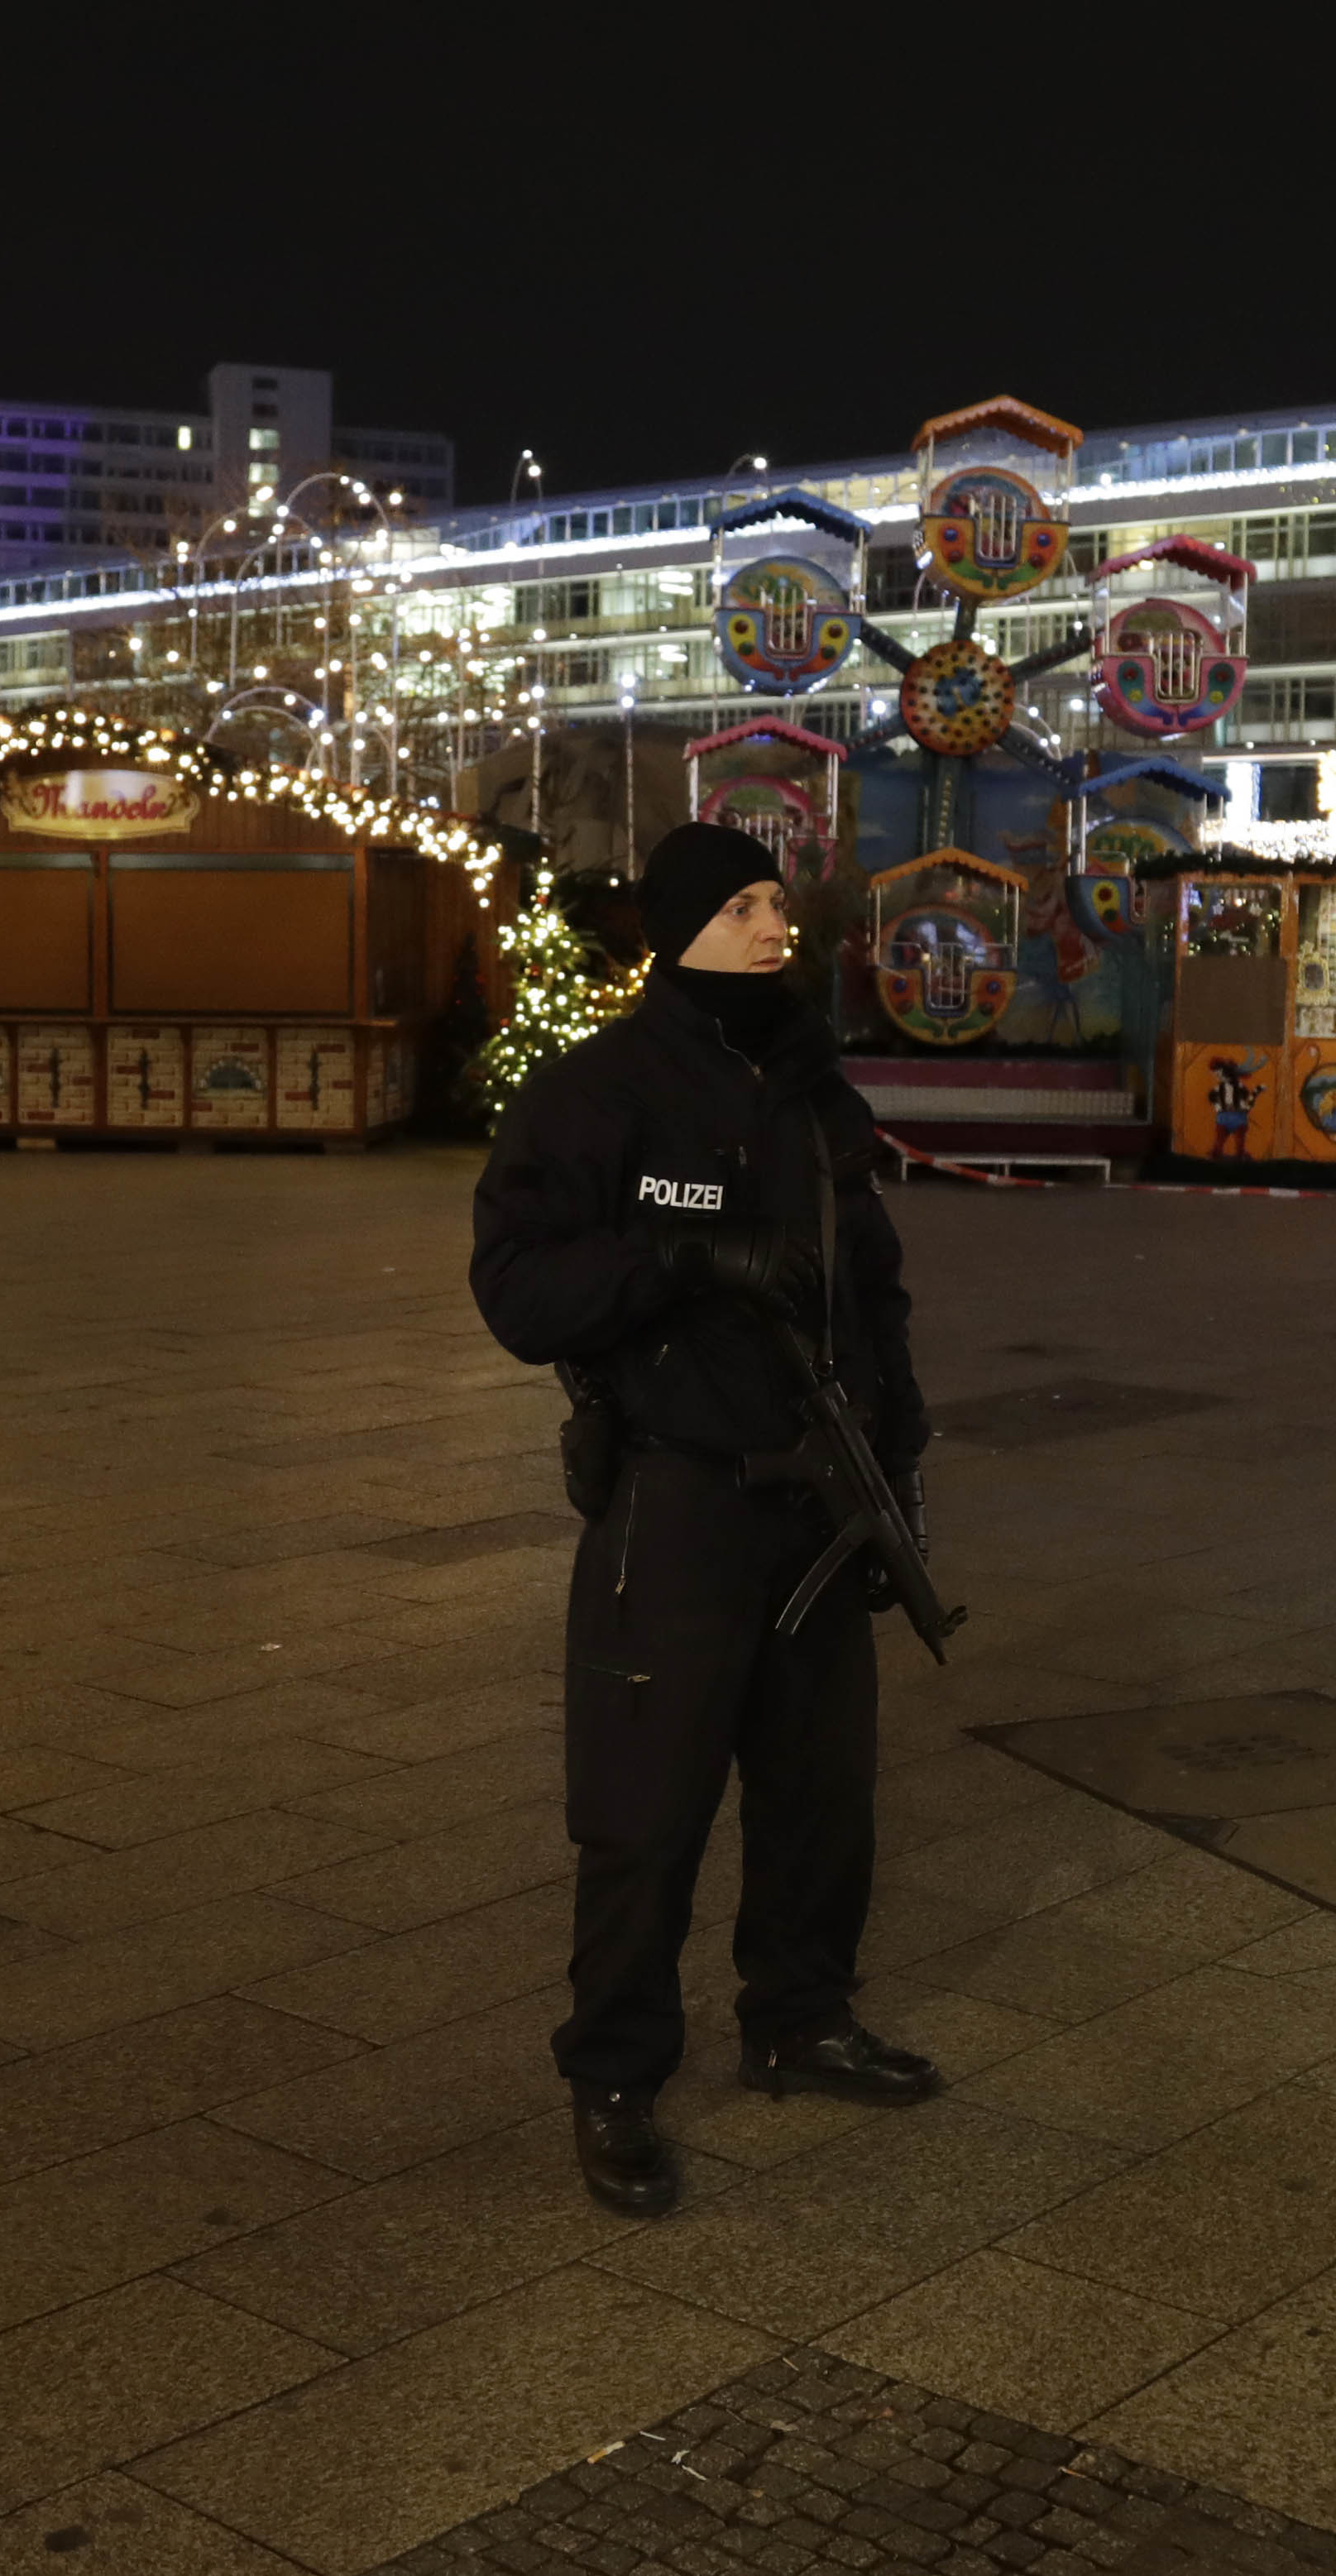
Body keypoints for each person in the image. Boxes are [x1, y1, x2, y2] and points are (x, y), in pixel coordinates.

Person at [471, 821, 939, 2219]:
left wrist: (896, 1457)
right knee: (643, 1808)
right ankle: (614, 2077)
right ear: (680, 925)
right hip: (674, 1499)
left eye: (775, 900)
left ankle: (797, 2017)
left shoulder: (812, 1091)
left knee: (820, 1794)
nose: (771, 921)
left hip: (821, 1498)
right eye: (741, 903)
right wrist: (676, 1253)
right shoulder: (593, 1095)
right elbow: (518, 1288)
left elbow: (876, 1290)